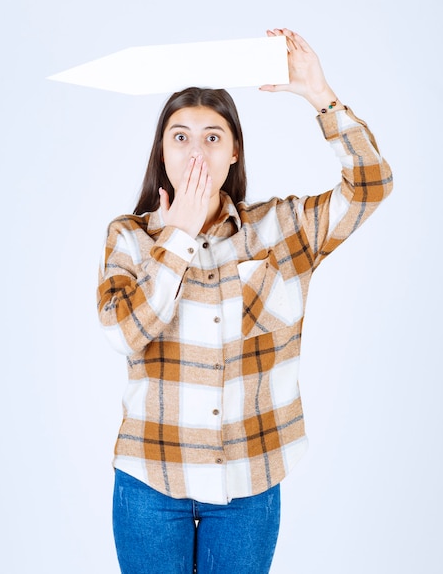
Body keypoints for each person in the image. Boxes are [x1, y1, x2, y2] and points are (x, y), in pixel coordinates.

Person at [97, 28, 393, 574]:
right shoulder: (130, 238)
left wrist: (319, 95)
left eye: (213, 136)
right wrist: (178, 237)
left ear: (234, 152)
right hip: (149, 479)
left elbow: (370, 186)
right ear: (162, 151)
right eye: (180, 136)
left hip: (250, 481)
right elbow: (123, 334)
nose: (196, 151)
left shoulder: (279, 228)